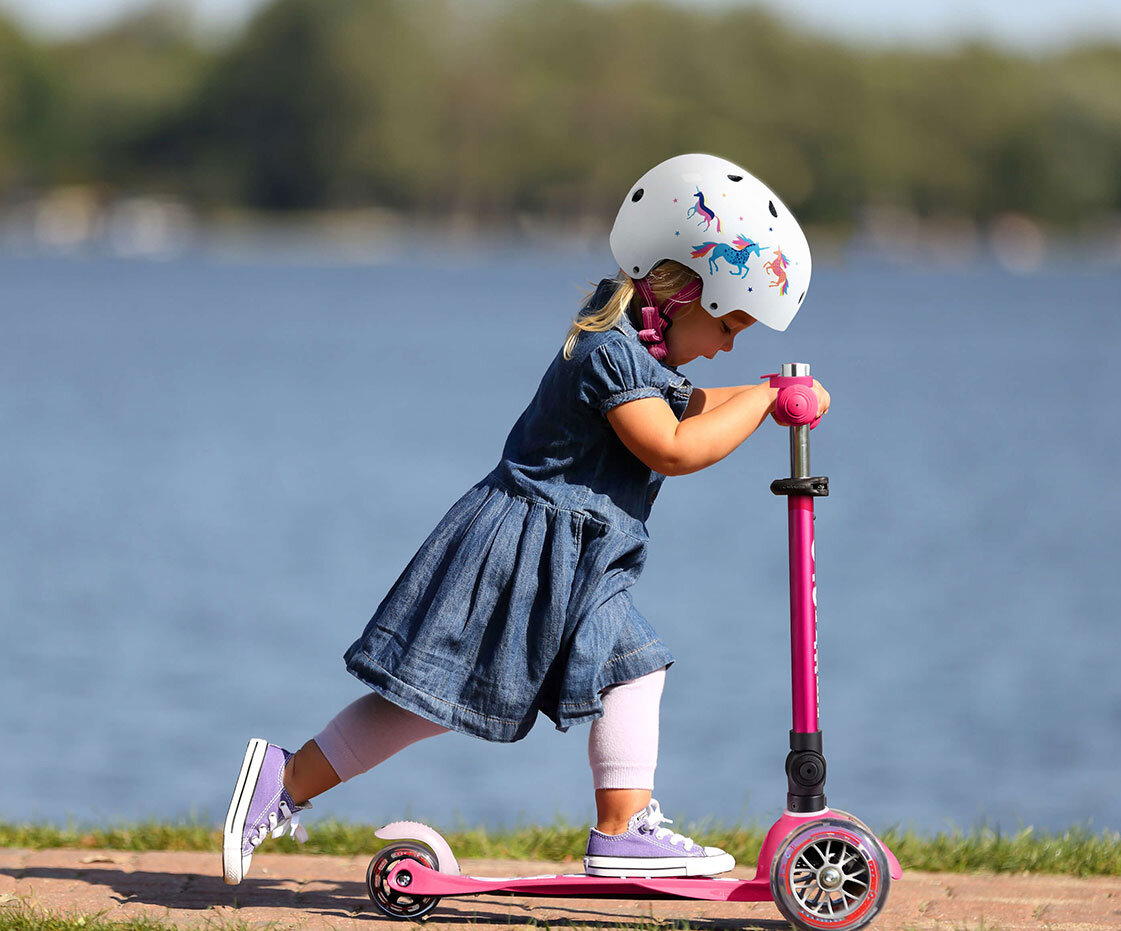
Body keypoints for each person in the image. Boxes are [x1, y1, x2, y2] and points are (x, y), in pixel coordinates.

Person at [222, 152, 829, 887]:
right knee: (430, 701)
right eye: (729, 323)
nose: (730, 343)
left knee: (632, 669)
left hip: (575, 564)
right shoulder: (610, 357)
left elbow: (690, 405)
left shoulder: (637, 359)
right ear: (678, 291)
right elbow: (672, 446)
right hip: (524, 556)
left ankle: (621, 828)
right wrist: (765, 405)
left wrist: (768, 390)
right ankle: (285, 780)